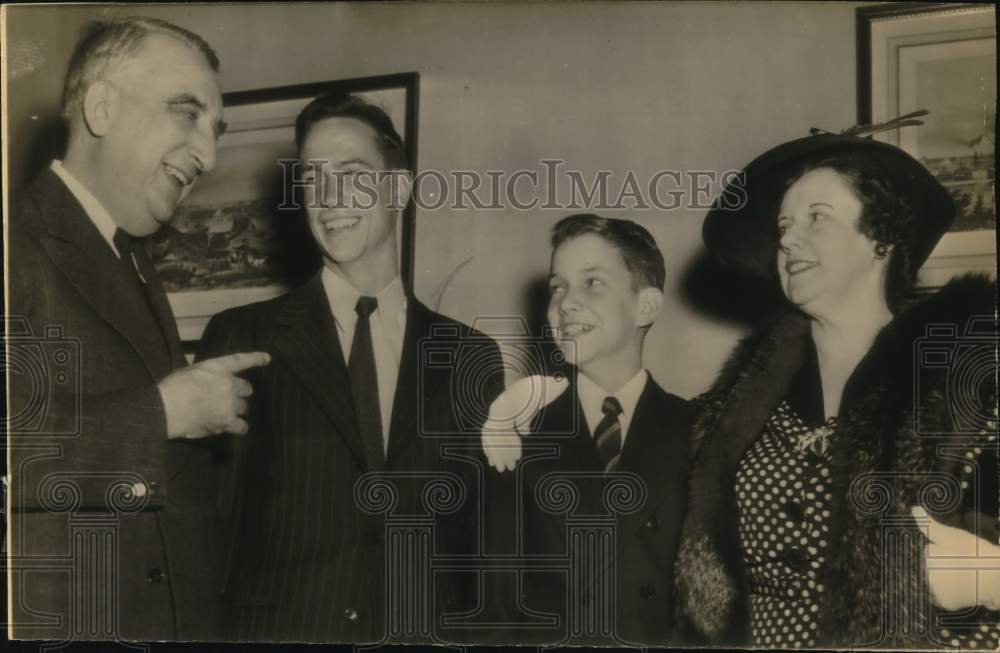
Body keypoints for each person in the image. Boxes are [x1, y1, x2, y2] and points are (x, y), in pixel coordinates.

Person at [198, 92, 504, 644]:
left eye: (353, 173)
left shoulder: (469, 357)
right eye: (314, 178)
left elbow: (478, 549)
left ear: (402, 187)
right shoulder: (242, 335)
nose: (330, 197)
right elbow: (208, 529)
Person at [675, 132, 998, 648]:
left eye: (815, 218)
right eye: (783, 226)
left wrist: (994, 581)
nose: (786, 240)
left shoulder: (970, 385)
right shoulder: (739, 408)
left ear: (880, 239)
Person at [7, 17, 269, 641]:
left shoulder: (128, 258)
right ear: (101, 107)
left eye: (215, 130)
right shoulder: (16, 239)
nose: (208, 154)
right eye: (187, 113)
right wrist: (161, 415)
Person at [482, 214, 696, 645]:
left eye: (592, 283)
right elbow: (495, 605)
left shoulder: (699, 431)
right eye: (557, 287)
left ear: (646, 306)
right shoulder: (515, 431)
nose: (566, 303)